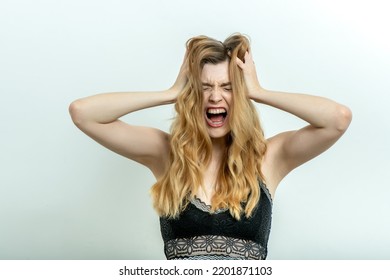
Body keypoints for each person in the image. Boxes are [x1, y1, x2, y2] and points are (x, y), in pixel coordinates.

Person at [69, 33, 352, 260]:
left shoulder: (268, 158)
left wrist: (258, 92)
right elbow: (83, 113)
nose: (216, 97)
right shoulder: (166, 154)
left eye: (228, 87)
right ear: (192, 95)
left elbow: (337, 119)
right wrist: (169, 94)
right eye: (205, 87)